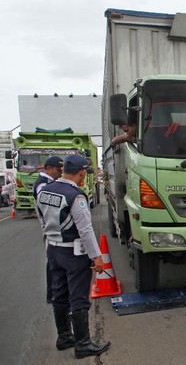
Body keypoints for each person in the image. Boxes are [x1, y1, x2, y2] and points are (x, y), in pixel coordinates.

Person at [36, 154, 111, 359]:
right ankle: (83, 344)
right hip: (73, 252)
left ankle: (64, 337)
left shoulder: (44, 191)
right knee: (78, 297)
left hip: (53, 250)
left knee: (59, 294)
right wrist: (97, 257)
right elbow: (85, 229)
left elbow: (41, 219)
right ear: (81, 173)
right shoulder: (75, 195)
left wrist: (50, 243)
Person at [34, 156, 64, 304]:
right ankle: (52, 294)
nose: (60, 173)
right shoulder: (42, 185)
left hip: (53, 227)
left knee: (55, 261)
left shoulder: (50, 182)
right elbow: (47, 207)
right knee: (53, 263)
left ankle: (55, 292)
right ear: (49, 168)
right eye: (58, 170)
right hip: (50, 228)